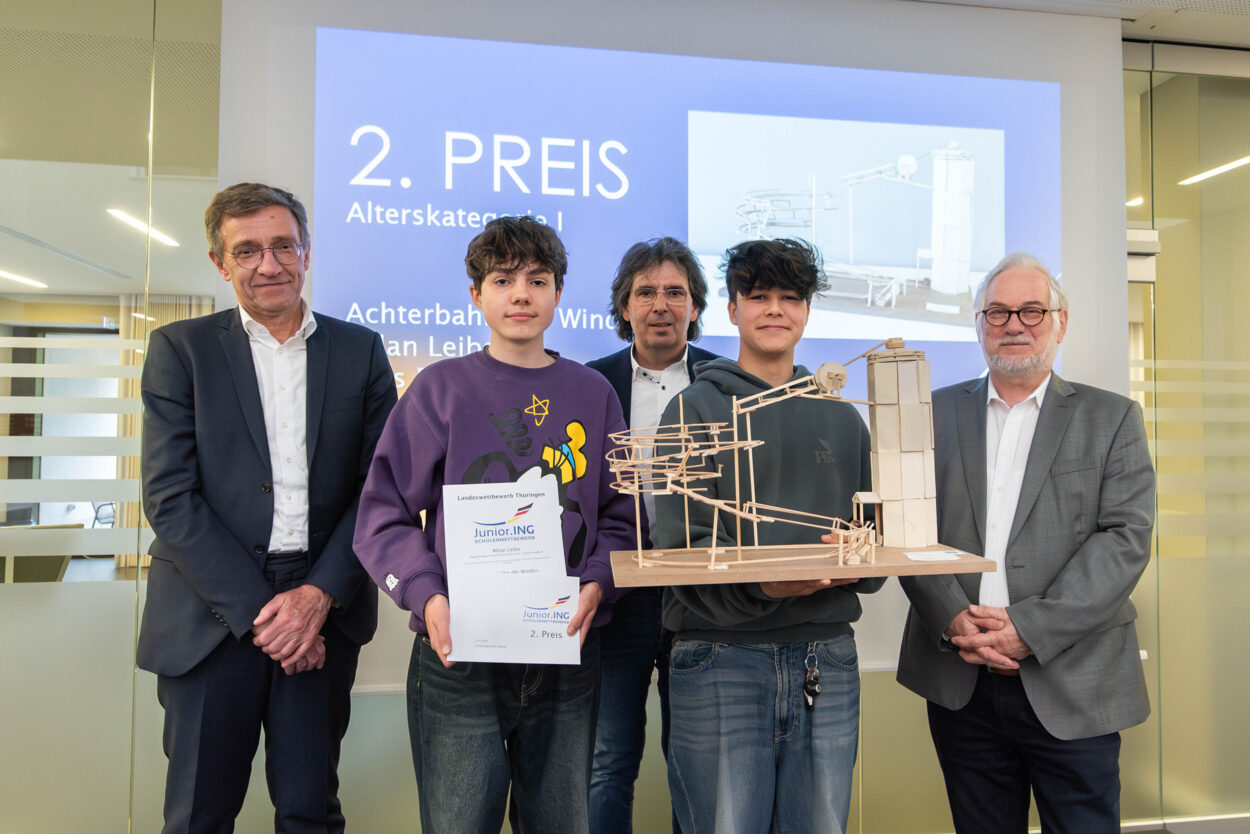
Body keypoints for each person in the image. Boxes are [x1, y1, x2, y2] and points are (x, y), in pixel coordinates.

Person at [352, 216, 637, 834]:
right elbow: (383, 512)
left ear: (558, 294)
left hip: (567, 651)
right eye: (503, 280)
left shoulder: (593, 394)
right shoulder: (439, 390)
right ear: (476, 294)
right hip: (459, 656)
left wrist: (598, 584)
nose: (521, 295)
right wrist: (427, 596)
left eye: (537, 280)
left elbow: (623, 515)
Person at [139, 182, 397, 833]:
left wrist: (316, 598)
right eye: (247, 250)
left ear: (306, 251)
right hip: (209, 609)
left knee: (311, 811)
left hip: (322, 606)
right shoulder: (181, 351)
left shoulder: (361, 350)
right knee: (198, 816)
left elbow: (379, 488)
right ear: (219, 262)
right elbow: (170, 497)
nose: (269, 264)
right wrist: (265, 616)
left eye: (283, 245)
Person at [897, 252, 1155, 834]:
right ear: (979, 324)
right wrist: (952, 615)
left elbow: (1124, 541)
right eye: (998, 311)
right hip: (962, 680)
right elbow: (905, 530)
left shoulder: (1112, 418)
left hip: (1075, 681)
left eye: (1032, 311)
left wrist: (1028, 629)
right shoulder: (929, 413)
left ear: (1061, 323)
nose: (1014, 325)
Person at [654, 238, 882, 834]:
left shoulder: (843, 417)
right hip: (720, 657)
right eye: (758, 296)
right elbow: (678, 548)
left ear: (806, 311)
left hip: (825, 656)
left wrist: (858, 559)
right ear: (732, 309)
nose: (775, 309)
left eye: (790, 297)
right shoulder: (691, 411)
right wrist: (763, 586)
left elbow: (874, 542)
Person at [585, 237, 718, 834]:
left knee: (696, 763)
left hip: (704, 596)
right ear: (624, 307)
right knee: (608, 761)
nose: (660, 305)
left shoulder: (726, 381)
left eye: (674, 292)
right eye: (645, 292)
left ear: (695, 306)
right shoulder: (590, 384)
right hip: (619, 594)